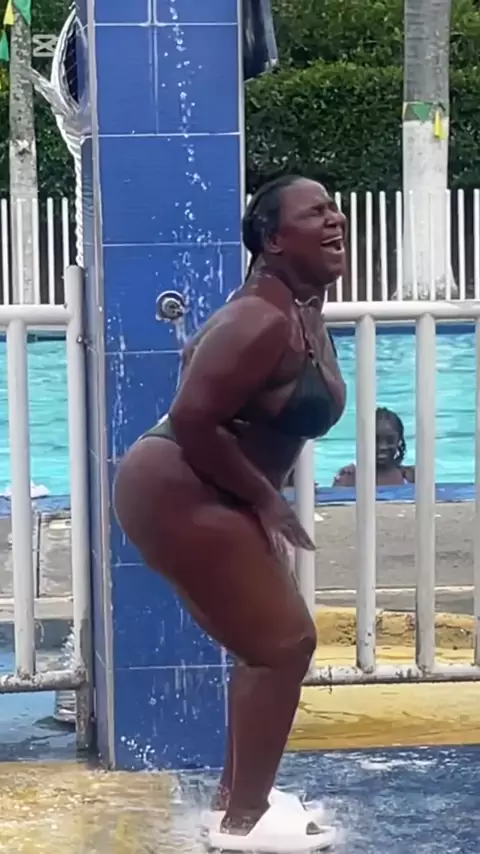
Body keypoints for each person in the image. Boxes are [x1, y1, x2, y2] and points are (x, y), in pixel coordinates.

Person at [113, 175, 346, 853]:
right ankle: (245, 822)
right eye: (316, 214)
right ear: (273, 239)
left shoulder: (297, 305)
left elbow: (209, 370)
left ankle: (236, 804)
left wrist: (257, 494)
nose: (335, 220)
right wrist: (267, 499)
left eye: (334, 209)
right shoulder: (261, 318)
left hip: (211, 487)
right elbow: (192, 416)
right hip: (179, 486)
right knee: (283, 646)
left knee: (266, 647)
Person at [333, 406, 415, 487]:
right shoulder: (348, 479)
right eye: (375, 439)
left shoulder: (411, 476)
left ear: (399, 441)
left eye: (390, 440)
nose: (382, 447)